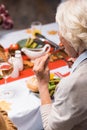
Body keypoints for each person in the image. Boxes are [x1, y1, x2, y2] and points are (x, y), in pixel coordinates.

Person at [33, 0, 87, 130]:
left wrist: (43, 84)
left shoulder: (72, 84)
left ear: (72, 38)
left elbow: (51, 128)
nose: (59, 36)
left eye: (61, 29)